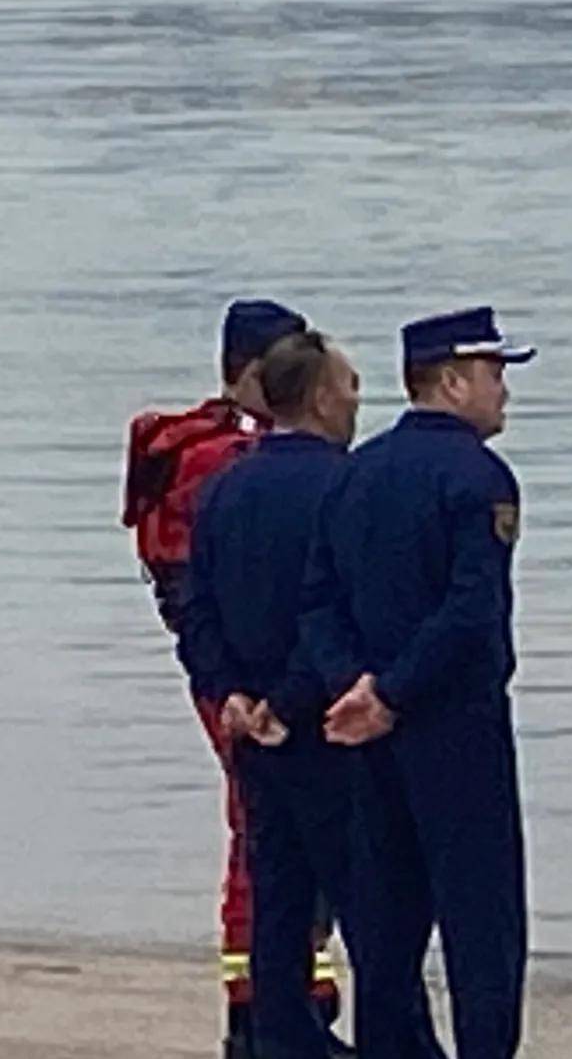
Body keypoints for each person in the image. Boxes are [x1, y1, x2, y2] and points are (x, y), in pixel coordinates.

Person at [305, 307, 534, 1059]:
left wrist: (356, 687)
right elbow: (471, 610)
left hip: (370, 734)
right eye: (494, 374)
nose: (503, 391)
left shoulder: (356, 472)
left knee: (387, 927)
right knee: (483, 929)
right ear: (450, 380)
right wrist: (396, 692)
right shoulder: (478, 476)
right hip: (453, 727)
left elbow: (318, 601)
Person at [129, 294, 338, 1051]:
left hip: (226, 676)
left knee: (259, 830)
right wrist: (252, 693)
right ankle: (268, 1004)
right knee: (267, 833)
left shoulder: (192, 451)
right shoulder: (226, 459)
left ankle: (276, 993)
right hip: (248, 683)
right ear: (256, 374)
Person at [177, 330, 371, 1059]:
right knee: (365, 896)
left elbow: (196, 604)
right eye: (349, 386)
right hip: (324, 721)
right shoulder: (346, 485)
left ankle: (278, 1039)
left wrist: (228, 692)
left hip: (253, 725)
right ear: (320, 397)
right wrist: (286, 701)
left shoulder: (226, 485)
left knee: (277, 895)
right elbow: (337, 611)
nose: (356, 400)